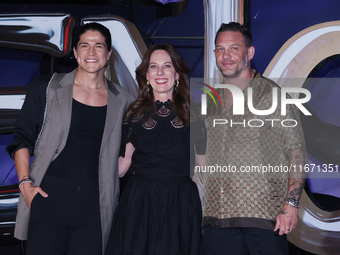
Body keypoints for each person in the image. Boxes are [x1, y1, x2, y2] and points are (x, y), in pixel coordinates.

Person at [6, 22, 134, 255]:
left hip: (95, 207)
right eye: (85, 45)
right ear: (75, 52)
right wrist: (25, 184)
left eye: (99, 46)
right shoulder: (46, 87)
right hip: (48, 200)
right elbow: (22, 138)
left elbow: (125, 155)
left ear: (109, 53)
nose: (92, 52)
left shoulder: (124, 100)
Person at [201, 22, 307, 254]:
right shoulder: (210, 101)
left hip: (263, 219)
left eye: (234, 48)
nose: (226, 56)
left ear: (249, 52)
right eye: (220, 49)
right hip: (217, 220)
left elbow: (297, 152)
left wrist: (291, 206)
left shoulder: (273, 96)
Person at [106, 44, 204, 255]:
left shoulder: (195, 115)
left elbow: (203, 168)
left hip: (181, 203)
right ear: (147, 75)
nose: (160, 72)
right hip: (141, 203)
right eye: (153, 66)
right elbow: (122, 167)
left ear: (176, 74)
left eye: (166, 66)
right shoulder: (134, 114)